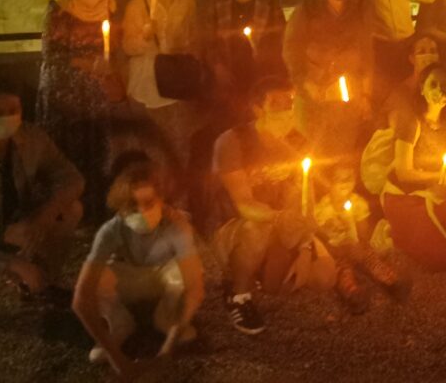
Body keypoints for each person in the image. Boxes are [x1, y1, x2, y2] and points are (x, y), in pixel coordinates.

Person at [211, 77, 336, 334]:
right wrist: (280, 219)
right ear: (258, 109)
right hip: (238, 225)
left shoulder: (297, 142)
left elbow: (305, 199)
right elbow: (244, 204)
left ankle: (257, 272)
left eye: (289, 102)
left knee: (324, 277)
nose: (286, 109)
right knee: (257, 230)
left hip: (281, 224)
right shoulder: (233, 142)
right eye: (276, 103)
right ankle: (238, 294)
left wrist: (304, 244)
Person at [73, 152, 204, 376]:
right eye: (133, 207)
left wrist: (168, 347)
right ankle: (119, 322)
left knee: (185, 275)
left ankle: (167, 317)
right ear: (120, 207)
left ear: (162, 200)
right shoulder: (111, 230)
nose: (142, 213)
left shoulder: (177, 225)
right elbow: (81, 299)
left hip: (164, 281)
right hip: (129, 282)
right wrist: (118, 360)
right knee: (98, 277)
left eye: (148, 203)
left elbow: (195, 287)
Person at [0, 77, 83, 309]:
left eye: (13, 110)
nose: (6, 118)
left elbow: (71, 178)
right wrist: (9, 263)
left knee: (70, 209)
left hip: (20, 225)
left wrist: (44, 216)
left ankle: (41, 284)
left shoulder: (31, 139)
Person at [362, 63, 446, 271]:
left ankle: (424, 229)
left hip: (428, 192)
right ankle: (393, 232)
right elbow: (403, 173)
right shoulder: (411, 122)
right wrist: (437, 177)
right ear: (422, 87)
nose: (440, 91)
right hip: (402, 196)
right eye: (433, 84)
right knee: (445, 260)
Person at [37, 0, 118, 218]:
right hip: (65, 91)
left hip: (94, 90)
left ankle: (95, 210)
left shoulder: (108, 3)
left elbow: (110, 45)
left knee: (96, 150)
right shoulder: (59, 7)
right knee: (67, 152)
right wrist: (88, 64)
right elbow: (52, 54)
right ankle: (66, 212)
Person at [121, 0, 204, 201]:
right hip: (147, 82)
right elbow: (128, 45)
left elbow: (196, 39)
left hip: (176, 81)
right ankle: (151, 200)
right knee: (151, 146)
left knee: (179, 143)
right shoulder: (138, 4)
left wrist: (185, 49)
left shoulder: (188, 2)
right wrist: (146, 37)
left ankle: (178, 200)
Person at [284, 0, 372, 163]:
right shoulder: (308, 7)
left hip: (347, 98)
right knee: (311, 153)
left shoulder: (360, 9)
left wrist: (366, 95)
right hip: (313, 94)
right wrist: (304, 82)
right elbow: (291, 48)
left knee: (342, 154)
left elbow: (367, 53)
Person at [314, 164, 411, 313]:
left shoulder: (358, 203)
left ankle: (391, 281)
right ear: (328, 182)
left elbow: (363, 234)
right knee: (343, 271)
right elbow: (322, 239)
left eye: (349, 178)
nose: (345, 182)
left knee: (372, 259)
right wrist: (337, 245)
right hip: (337, 251)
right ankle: (352, 293)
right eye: (338, 179)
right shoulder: (322, 209)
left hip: (357, 247)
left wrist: (353, 228)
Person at [209, 0, 288, 106]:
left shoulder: (270, 5)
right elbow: (210, 40)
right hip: (230, 76)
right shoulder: (219, 5)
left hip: (261, 76)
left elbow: (281, 39)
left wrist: (265, 56)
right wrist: (218, 67)